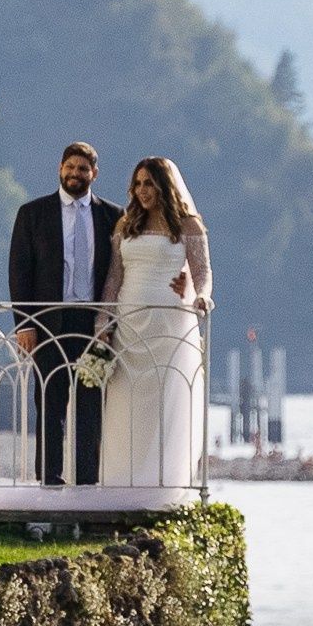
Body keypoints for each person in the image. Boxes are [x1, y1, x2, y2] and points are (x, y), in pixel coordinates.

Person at [7, 140, 120, 487]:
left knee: (91, 407)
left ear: (94, 174)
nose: (75, 173)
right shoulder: (33, 213)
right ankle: (50, 481)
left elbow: (121, 271)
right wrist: (25, 324)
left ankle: (87, 483)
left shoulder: (113, 216)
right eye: (70, 167)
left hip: (95, 326)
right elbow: (19, 272)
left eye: (82, 169)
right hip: (48, 324)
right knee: (50, 404)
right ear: (60, 169)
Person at [96, 154, 211, 491]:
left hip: (170, 322)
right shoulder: (125, 224)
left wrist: (201, 297)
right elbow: (113, 277)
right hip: (129, 321)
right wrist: (102, 320)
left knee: (167, 401)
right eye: (138, 183)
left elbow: (202, 272)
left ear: (164, 186)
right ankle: (121, 480)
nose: (142, 190)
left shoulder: (188, 226)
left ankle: (165, 481)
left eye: (149, 183)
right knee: (126, 402)